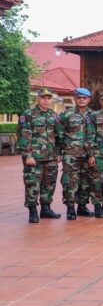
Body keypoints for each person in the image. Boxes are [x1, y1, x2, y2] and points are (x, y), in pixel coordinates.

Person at [17, 88, 62, 223]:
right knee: (32, 184)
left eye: (48, 98)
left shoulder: (54, 115)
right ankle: (32, 211)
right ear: (38, 98)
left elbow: (59, 135)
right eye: (43, 98)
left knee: (49, 184)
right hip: (34, 158)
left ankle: (46, 209)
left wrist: (58, 153)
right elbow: (23, 136)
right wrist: (28, 155)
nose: (46, 101)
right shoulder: (28, 114)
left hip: (51, 157)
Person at [58, 87, 96, 220]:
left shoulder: (93, 115)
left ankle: (82, 206)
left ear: (89, 100)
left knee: (86, 181)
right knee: (70, 181)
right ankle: (70, 208)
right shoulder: (66, 114)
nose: (81, 100)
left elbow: (94, 136)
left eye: (84, 98)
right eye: (79, 98)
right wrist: (60, 152)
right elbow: (59, 134)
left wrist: (92, 154)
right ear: (75, 99)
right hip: (71, 154)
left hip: (87, 155)